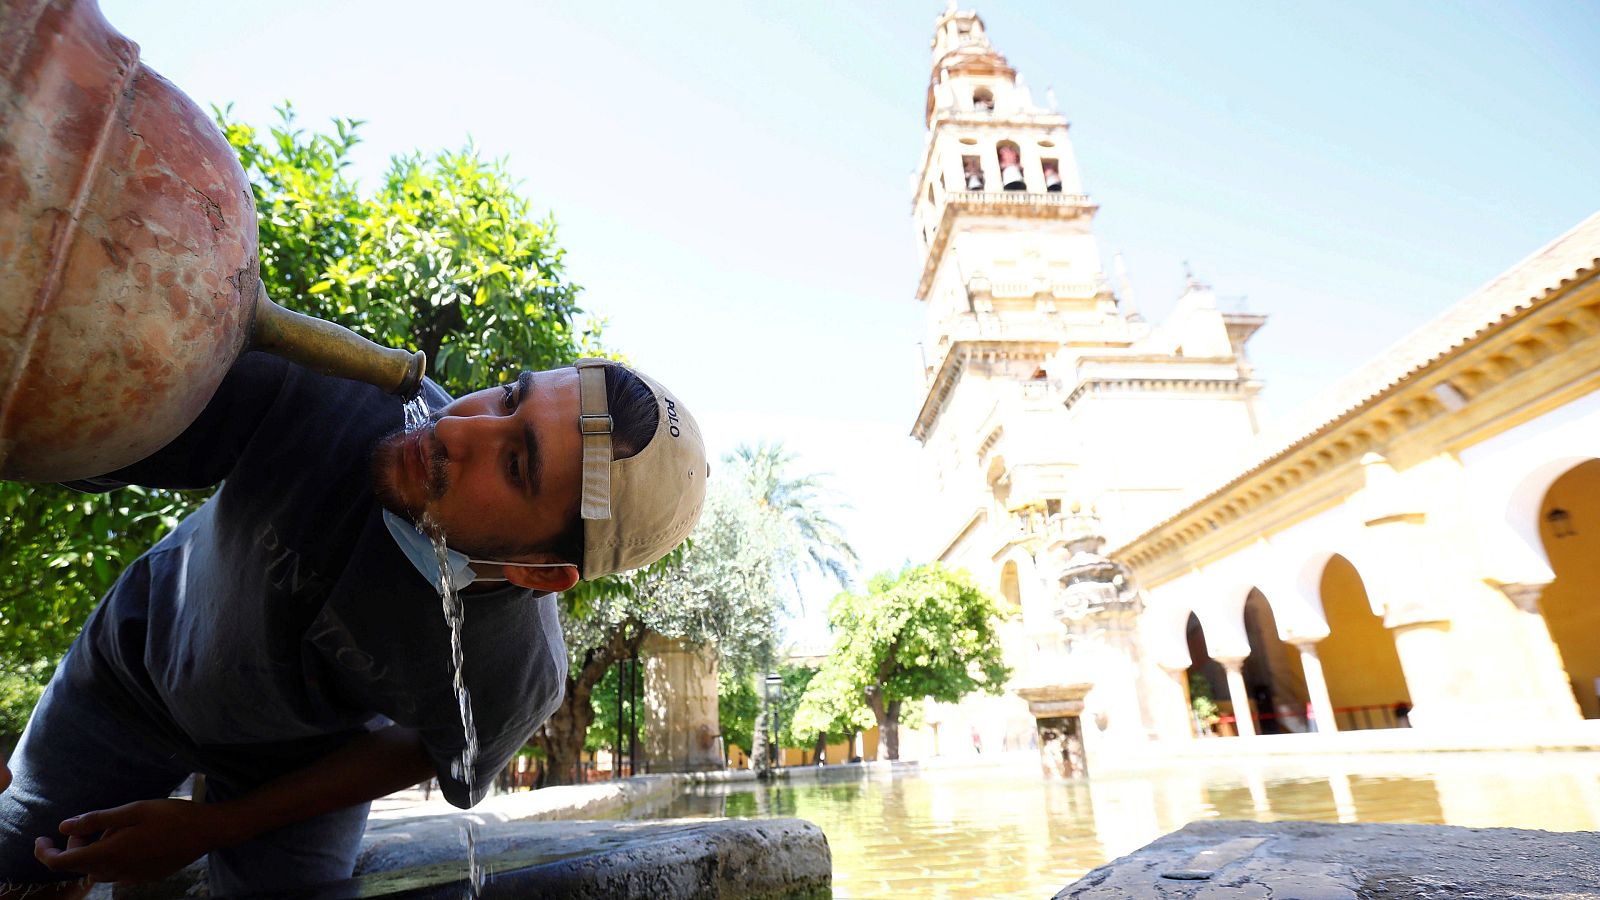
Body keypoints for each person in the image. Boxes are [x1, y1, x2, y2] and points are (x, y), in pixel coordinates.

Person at [0, 352, 706, 895]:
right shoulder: (335, 389)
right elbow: (76, 425)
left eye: (516, 461)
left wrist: (214, 828)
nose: (457, 425)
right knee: (14, 862)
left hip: (293, 763)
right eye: (509, 394)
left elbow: (433, 749)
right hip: (131, 668)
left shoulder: (512, 671)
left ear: (539, 574)